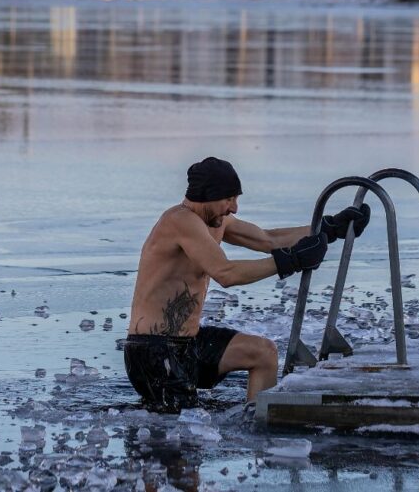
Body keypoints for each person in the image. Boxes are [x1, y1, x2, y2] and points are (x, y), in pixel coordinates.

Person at [124, 157, 371, 412]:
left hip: (190, 343)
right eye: (229, 199)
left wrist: (329, 228)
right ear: (208, 194)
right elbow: (226, 273)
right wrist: (291, 261)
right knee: (187, 429)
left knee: (262, 353)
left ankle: (257, 423)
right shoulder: (179, 221)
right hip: (152, 351)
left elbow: (268, 239)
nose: (234, 208)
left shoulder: (216, 222)